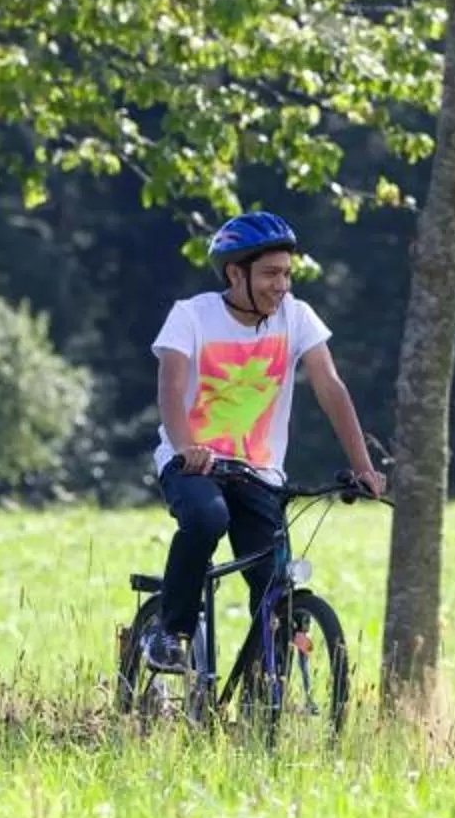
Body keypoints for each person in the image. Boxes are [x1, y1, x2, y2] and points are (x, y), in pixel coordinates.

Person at [139, 211, 387, 671]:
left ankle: (262, 695)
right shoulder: (191, 316)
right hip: (194, 464)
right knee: (207, 517)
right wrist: (185, 446)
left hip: (259, 473)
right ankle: (171, 632)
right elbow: (170, 390)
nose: (283, 285)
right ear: (236, 273)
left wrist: (364, 466)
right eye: (271, 273)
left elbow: (330, 387)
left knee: (276, 585)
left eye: (288, 273)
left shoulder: (297, 318)